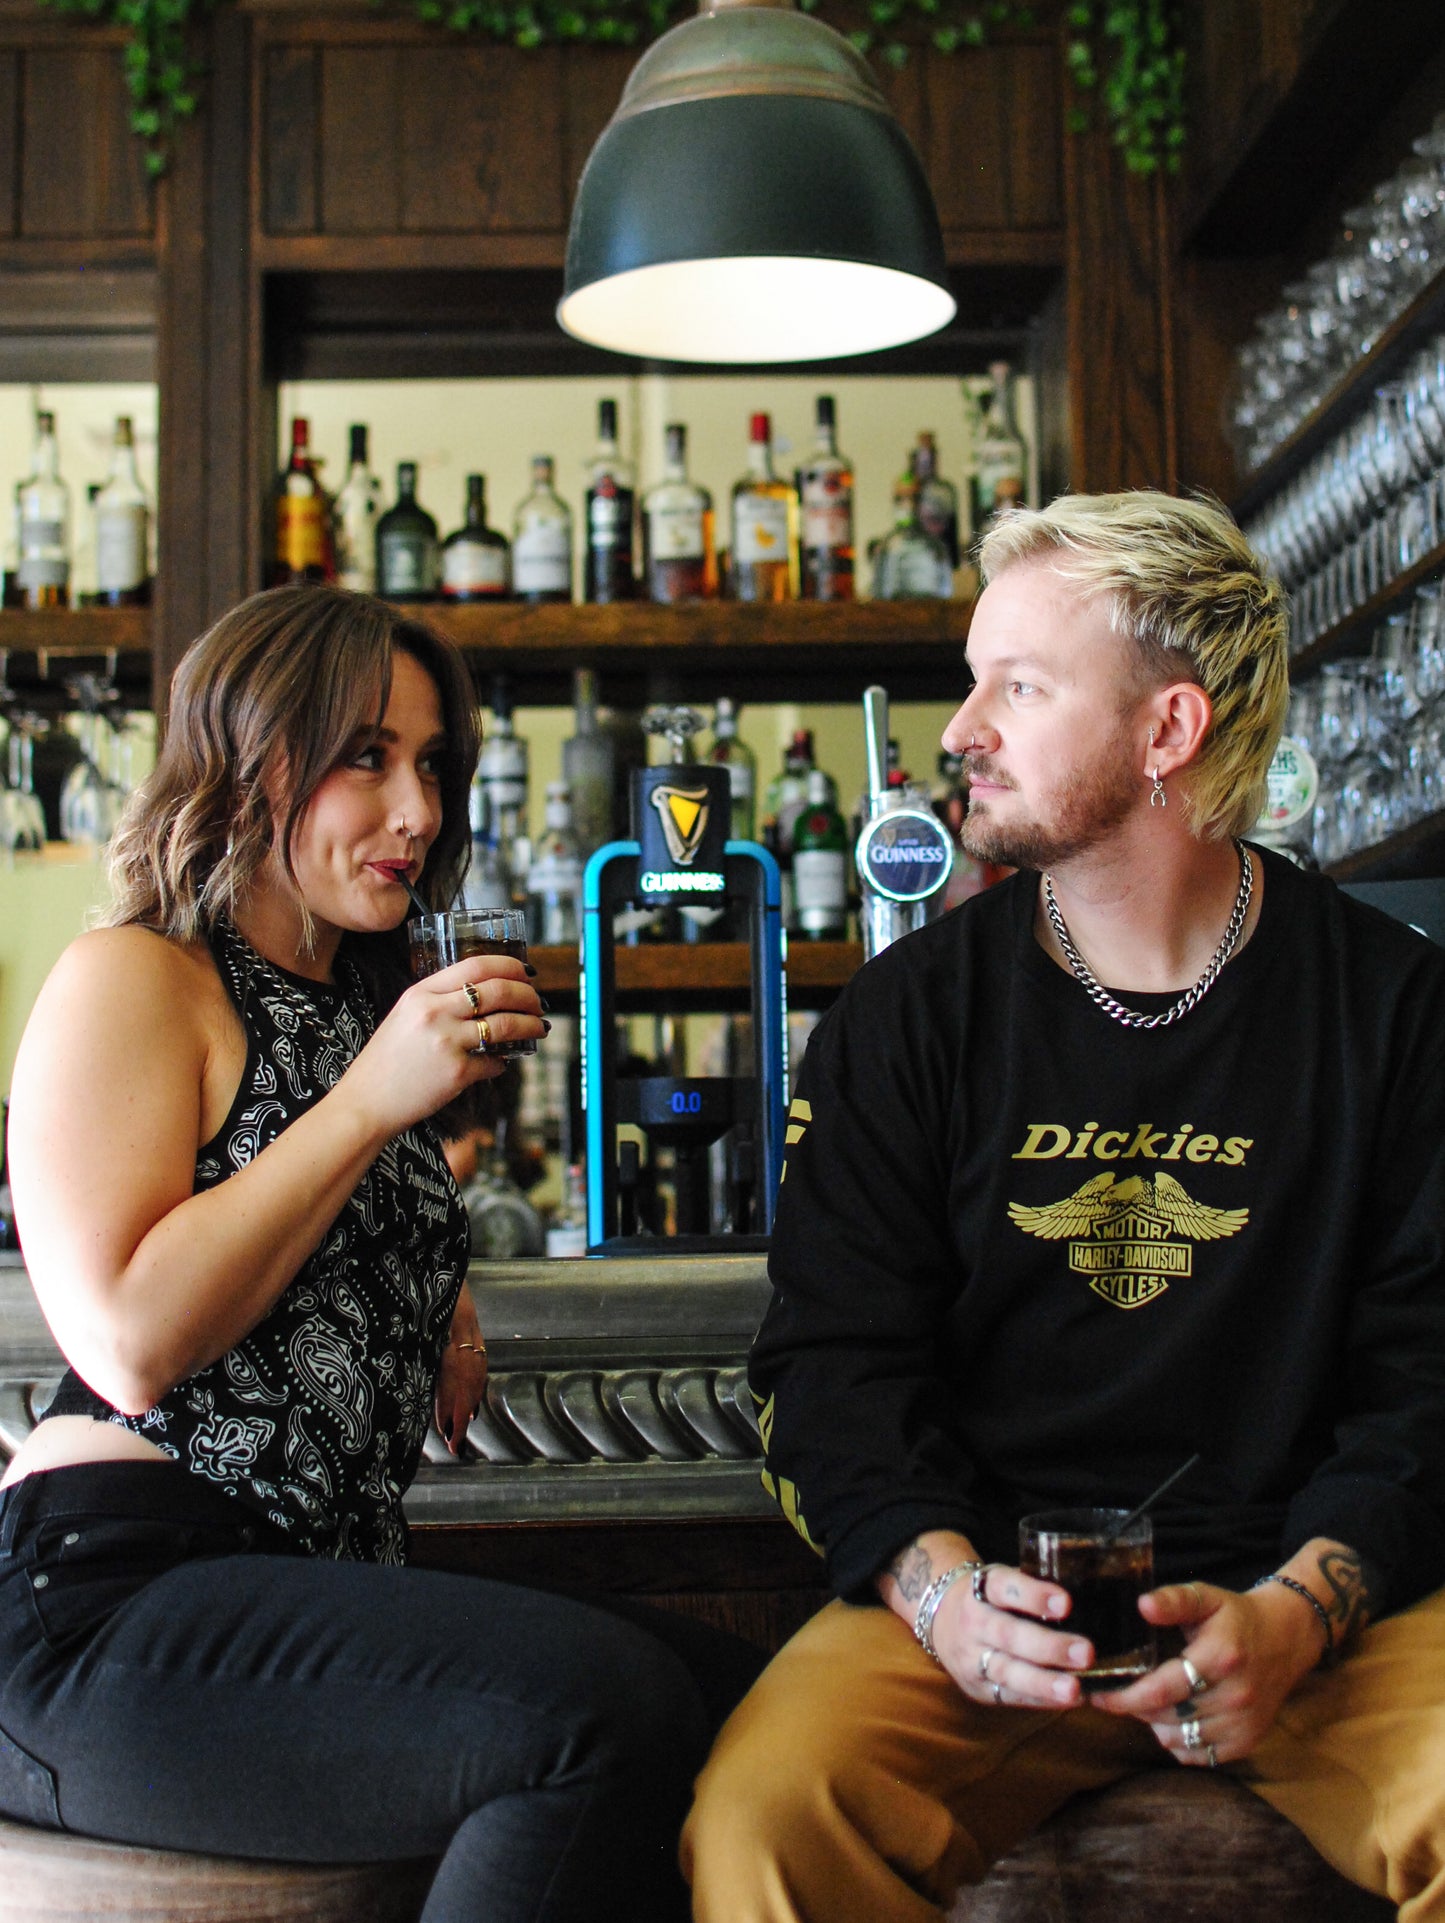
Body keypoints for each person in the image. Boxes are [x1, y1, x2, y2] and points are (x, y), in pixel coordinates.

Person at [683, 491, 1445, 1920]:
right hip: (987, 1616)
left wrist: (1299, 1611)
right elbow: (830, 1370)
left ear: (1167, 732)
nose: (962, 730)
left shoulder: (1396, 1011)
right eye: (973, 683)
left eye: (1018, 688)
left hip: (1322, 1618)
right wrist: (943, 1598)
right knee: (767, 1825)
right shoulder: (908, 1018)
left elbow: (1431, 1382)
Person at [0, 584, 733, 1923]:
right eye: (366, 758)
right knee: (602, 1711)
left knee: (743, 1698)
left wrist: (429, 1291)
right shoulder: (139, 975)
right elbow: (127, 1340)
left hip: (300, 1580)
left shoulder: (353, 1004)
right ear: (248, 761)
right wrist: (369, 1107)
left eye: (433, 765)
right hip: (105, 1599)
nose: (420, 811)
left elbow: (294, 1222)